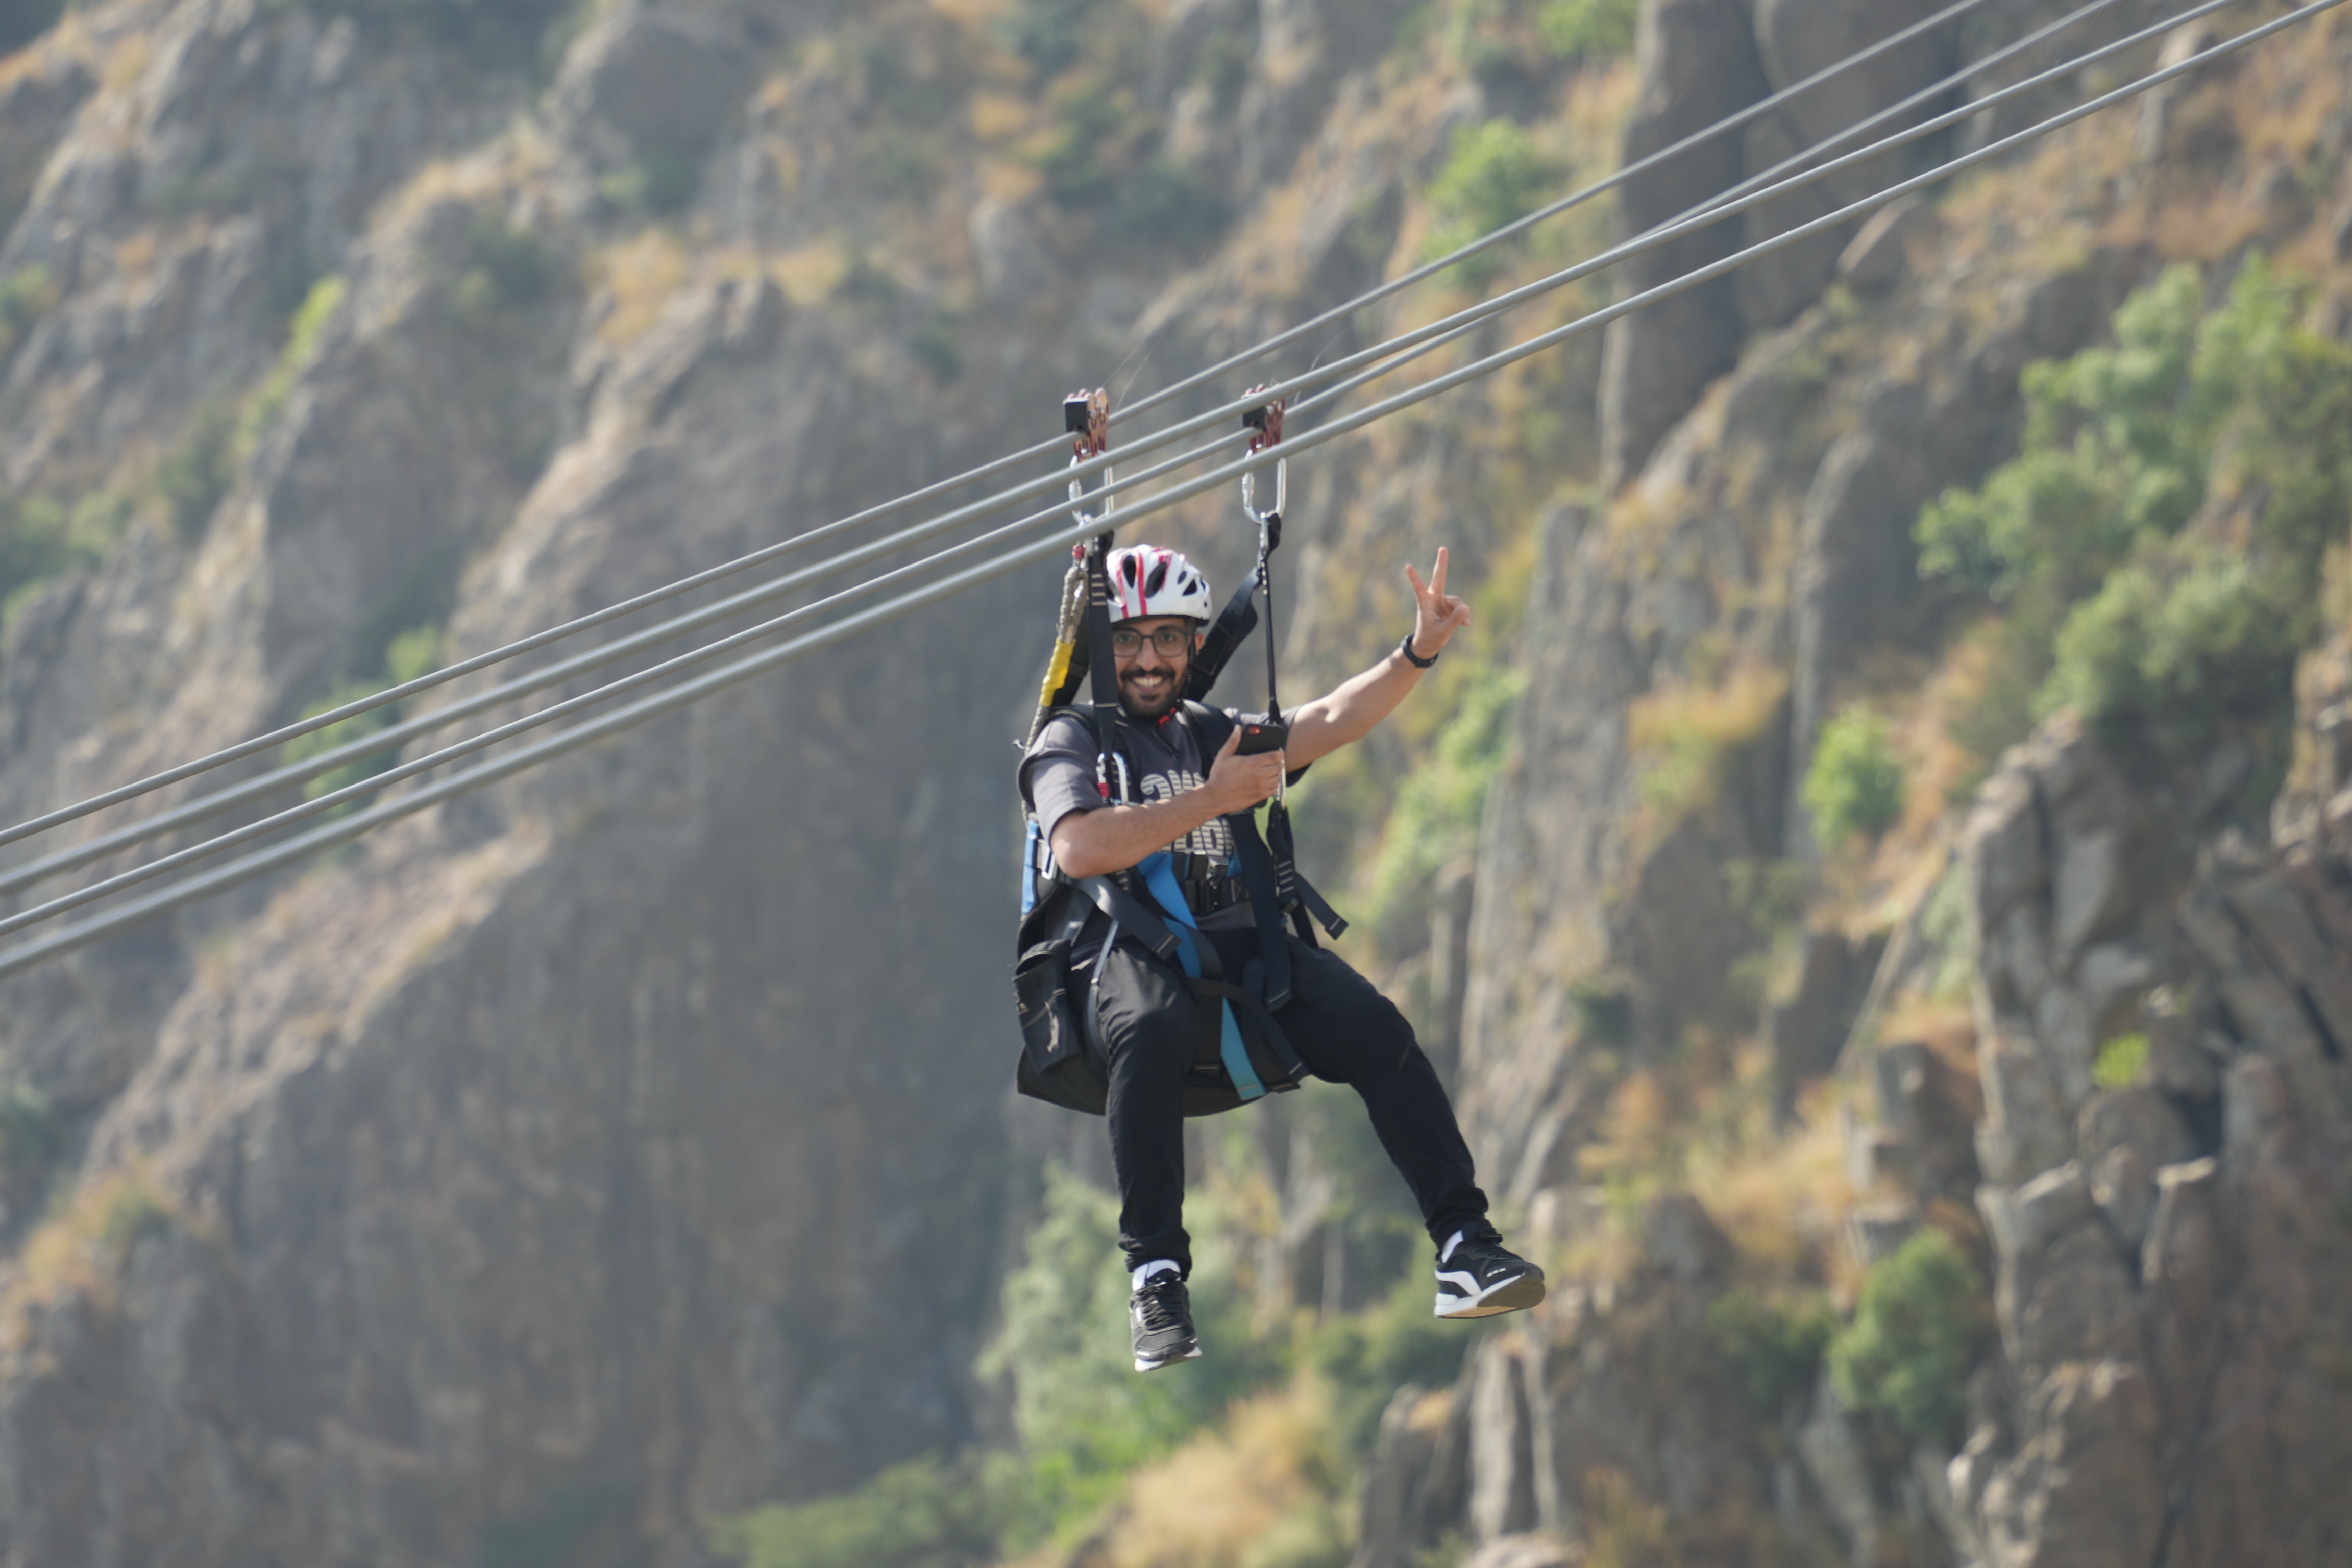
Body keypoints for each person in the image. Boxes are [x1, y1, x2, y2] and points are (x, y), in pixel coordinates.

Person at [1017, 541, 1544, 1373]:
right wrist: (1211, 801)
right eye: (1128, 640)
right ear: (1103, 650)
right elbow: (1080, 848)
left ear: (1194, 648)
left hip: (1238, 951)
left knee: (1378, 1030)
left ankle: (1463, 1246)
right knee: (1152, 1028)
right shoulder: (1072, 741)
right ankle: (1156, 1277)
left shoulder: (1213, 732)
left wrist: (1419, 653)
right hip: (1120, 956)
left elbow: (1330, 719)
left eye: (1166, 639)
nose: (1148, 659)